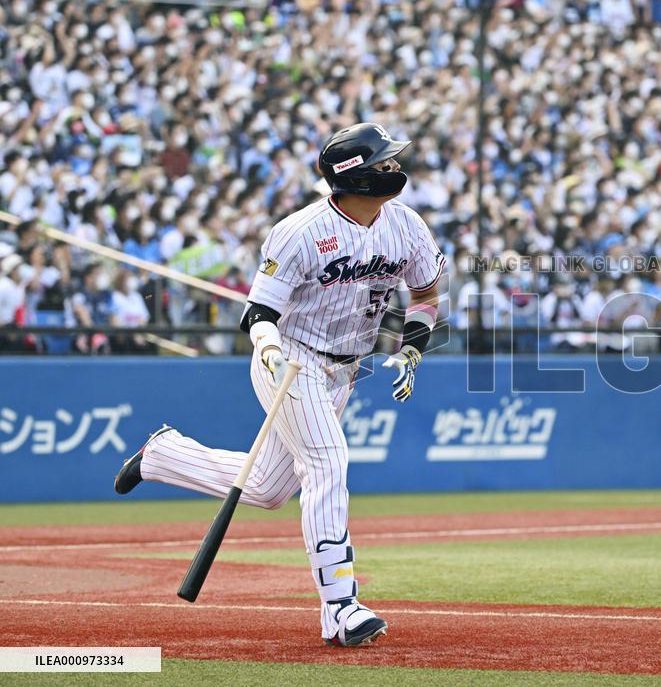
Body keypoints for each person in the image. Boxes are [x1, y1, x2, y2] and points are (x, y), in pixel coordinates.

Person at [113, 123, 445, 647]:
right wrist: (267, 344)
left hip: (344, 369)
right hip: (291, 360)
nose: (394, 169)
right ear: (354, 175)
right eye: (383, 164)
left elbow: (426, 294)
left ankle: (163, 456)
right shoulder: (299, 231)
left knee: (268, 489)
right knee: (328, 462)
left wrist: (411, 347)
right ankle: (340, 606)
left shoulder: (405, 226)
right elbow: (258, 311)